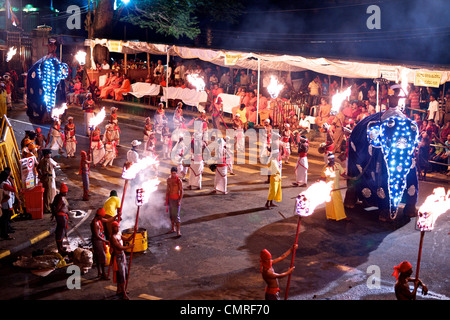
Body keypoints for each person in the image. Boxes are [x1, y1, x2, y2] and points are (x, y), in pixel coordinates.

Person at [320, 153, 349, 221]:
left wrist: (351, 178)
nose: (332, 160)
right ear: (328, 159)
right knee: (330, 203)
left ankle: (342, 216)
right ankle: (330, 216)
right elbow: (323, 179)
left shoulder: (338, 165)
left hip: (336, 188)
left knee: (338, 202)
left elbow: (343, 174)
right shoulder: (325, 168)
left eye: (332, 158)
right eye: (330, 159)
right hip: (329, 189)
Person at [110, 221, 134, 300]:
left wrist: (134, 233)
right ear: (113, 228)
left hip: (122, 256)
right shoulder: (112, 237)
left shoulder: (119, 234)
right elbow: (119, 247)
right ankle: (123, 293)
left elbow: (128, 239)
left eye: (118, 227)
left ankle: (119, 290)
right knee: (121, 275)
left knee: (124, 273)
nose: (118, 228)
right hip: (118, 257)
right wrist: (129, 247)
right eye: (116, 227)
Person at [0, 170, 21, 240]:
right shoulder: (5, 184)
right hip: (6, 203)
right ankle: (5, 234)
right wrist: (12, 182)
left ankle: (5, 232)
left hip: (5, 203)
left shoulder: (3, 183)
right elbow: (13, 189)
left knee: (5, 219)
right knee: (5, 219)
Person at [90, 208, 110, 280]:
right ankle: (103, 274)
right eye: (102, 217)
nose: (102, 218)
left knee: (99, 257)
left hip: (99, 241)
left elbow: (107, 220)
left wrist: (116, 216)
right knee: (101, 258)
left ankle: (100, 273)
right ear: (99, 216)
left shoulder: (99, 220)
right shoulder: (94, 223)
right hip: (97, 242)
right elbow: (97, 236)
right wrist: (105, 241)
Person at [51, 183, 70, 255]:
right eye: (65, 192)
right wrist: (54, 214)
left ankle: (61, 247)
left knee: (60, 232)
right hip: (61, 217)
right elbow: (58, 208)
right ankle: (60, 249)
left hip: (60, 217)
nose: (66, 193)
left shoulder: (57, 196)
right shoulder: (61, 199)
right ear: (62, 192)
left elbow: (52, 205)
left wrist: (53, 214)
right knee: (60, 232)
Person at [37, 149, 58, 213]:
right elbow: (45, 170)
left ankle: (46, 207)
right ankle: (47, 208)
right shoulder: (46, 161)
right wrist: (45, 174)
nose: (50, 154)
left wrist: (40, 175)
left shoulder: (41, 160)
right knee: (48, 194)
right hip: (47, 178)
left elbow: (38, 168)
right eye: (49, 153)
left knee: (46, 193)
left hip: (44, 178)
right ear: (46, 154)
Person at [166, 167, 183, 237]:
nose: (173, 174)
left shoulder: (179, 180)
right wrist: (166, 199)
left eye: (174, 173)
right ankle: (173, 228)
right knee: (171, 215)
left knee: (176, 216)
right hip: (170, 199)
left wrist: (179, 200)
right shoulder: (169, 180)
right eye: (172, 173)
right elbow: (167, 190)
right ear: (170, 173)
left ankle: (178, 231)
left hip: (176, 199)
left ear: (176, 173)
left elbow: (181, 191)